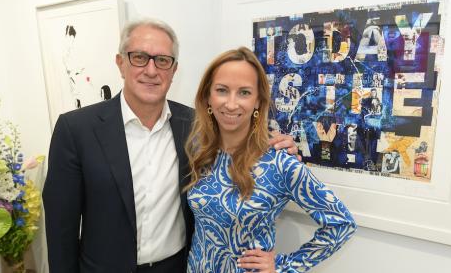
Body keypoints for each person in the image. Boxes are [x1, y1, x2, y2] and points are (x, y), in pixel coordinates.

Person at [42, 18, 298, 273]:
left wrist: (279, 145)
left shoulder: (197, 125)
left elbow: (240, 137)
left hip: (176, 267)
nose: (151, 71)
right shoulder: (76, 130)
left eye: (163, 60)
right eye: (139, 57)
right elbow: (60, 228)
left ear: (174, 70)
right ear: (121, 64)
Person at [184, 47, 357, 273]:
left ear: (258, 101)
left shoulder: (279, 162)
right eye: (222, 90)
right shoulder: (200, 151)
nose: (231, 103)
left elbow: (342, 223)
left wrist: (285, 266)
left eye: (244, 92)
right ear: (208, 96)